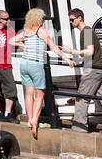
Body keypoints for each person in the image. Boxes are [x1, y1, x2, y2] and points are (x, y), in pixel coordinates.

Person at [11, 8, 74, 139]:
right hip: (35, 63)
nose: (44, 21)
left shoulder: (26, 31)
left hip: (24, 63)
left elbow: (11, 41)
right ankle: (34, 121)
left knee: (28, 93)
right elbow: (53, 47)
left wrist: (23, 46)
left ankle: (30, 120)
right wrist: (67, 59)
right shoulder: (41, 30)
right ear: (39, 19)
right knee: (40, 94)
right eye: (43, 18)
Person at [64, 8, 102, 136]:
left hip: (92, 69)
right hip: (99, 69)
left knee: (82, 98)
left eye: (72, 19)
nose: (71, 22)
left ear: (80, 18)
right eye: (70, 20)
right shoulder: (87, 32)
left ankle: (79, 128)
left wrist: (71, 51)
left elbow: (89, 51)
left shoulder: (87, 32)